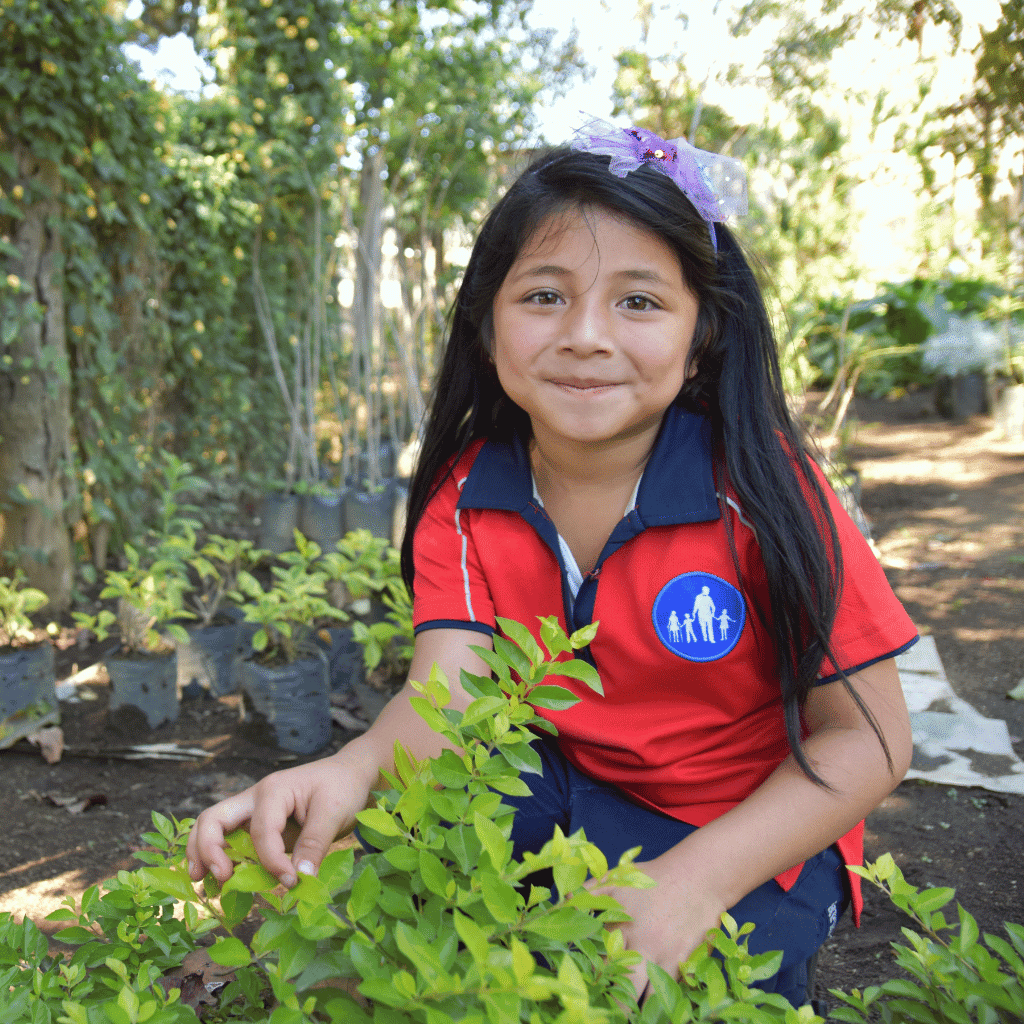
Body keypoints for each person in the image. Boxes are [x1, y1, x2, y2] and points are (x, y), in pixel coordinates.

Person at [187, 118, 917, 1008]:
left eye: (639, 302)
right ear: (487, 329)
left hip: (751, 824)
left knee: (694, 994)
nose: (584, 335)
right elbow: (444, 702)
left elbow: (871, 737)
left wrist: (690, 883)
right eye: (543, 296)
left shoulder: (763, 491)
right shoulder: (465, 496)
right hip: (558, 791)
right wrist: (344, 770)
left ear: (704, 338)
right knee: (359, 879)